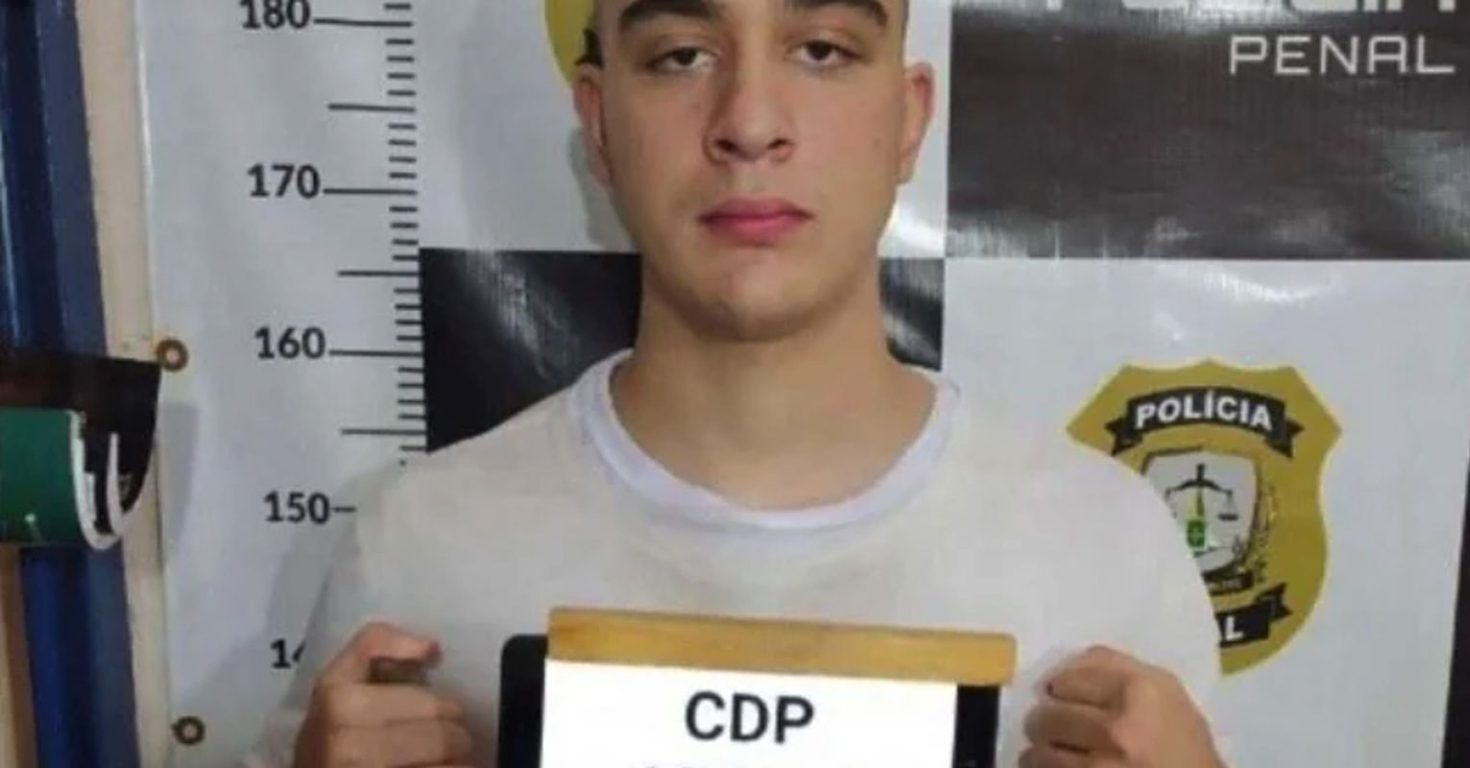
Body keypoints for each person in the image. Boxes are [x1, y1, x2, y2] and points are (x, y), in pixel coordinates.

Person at [247, 0, 1225, 765]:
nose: (750, 124)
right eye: (681, 55)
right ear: (599, 123)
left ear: (908, 119)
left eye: (823, 50)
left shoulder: (1106, 550)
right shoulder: (419, 551)